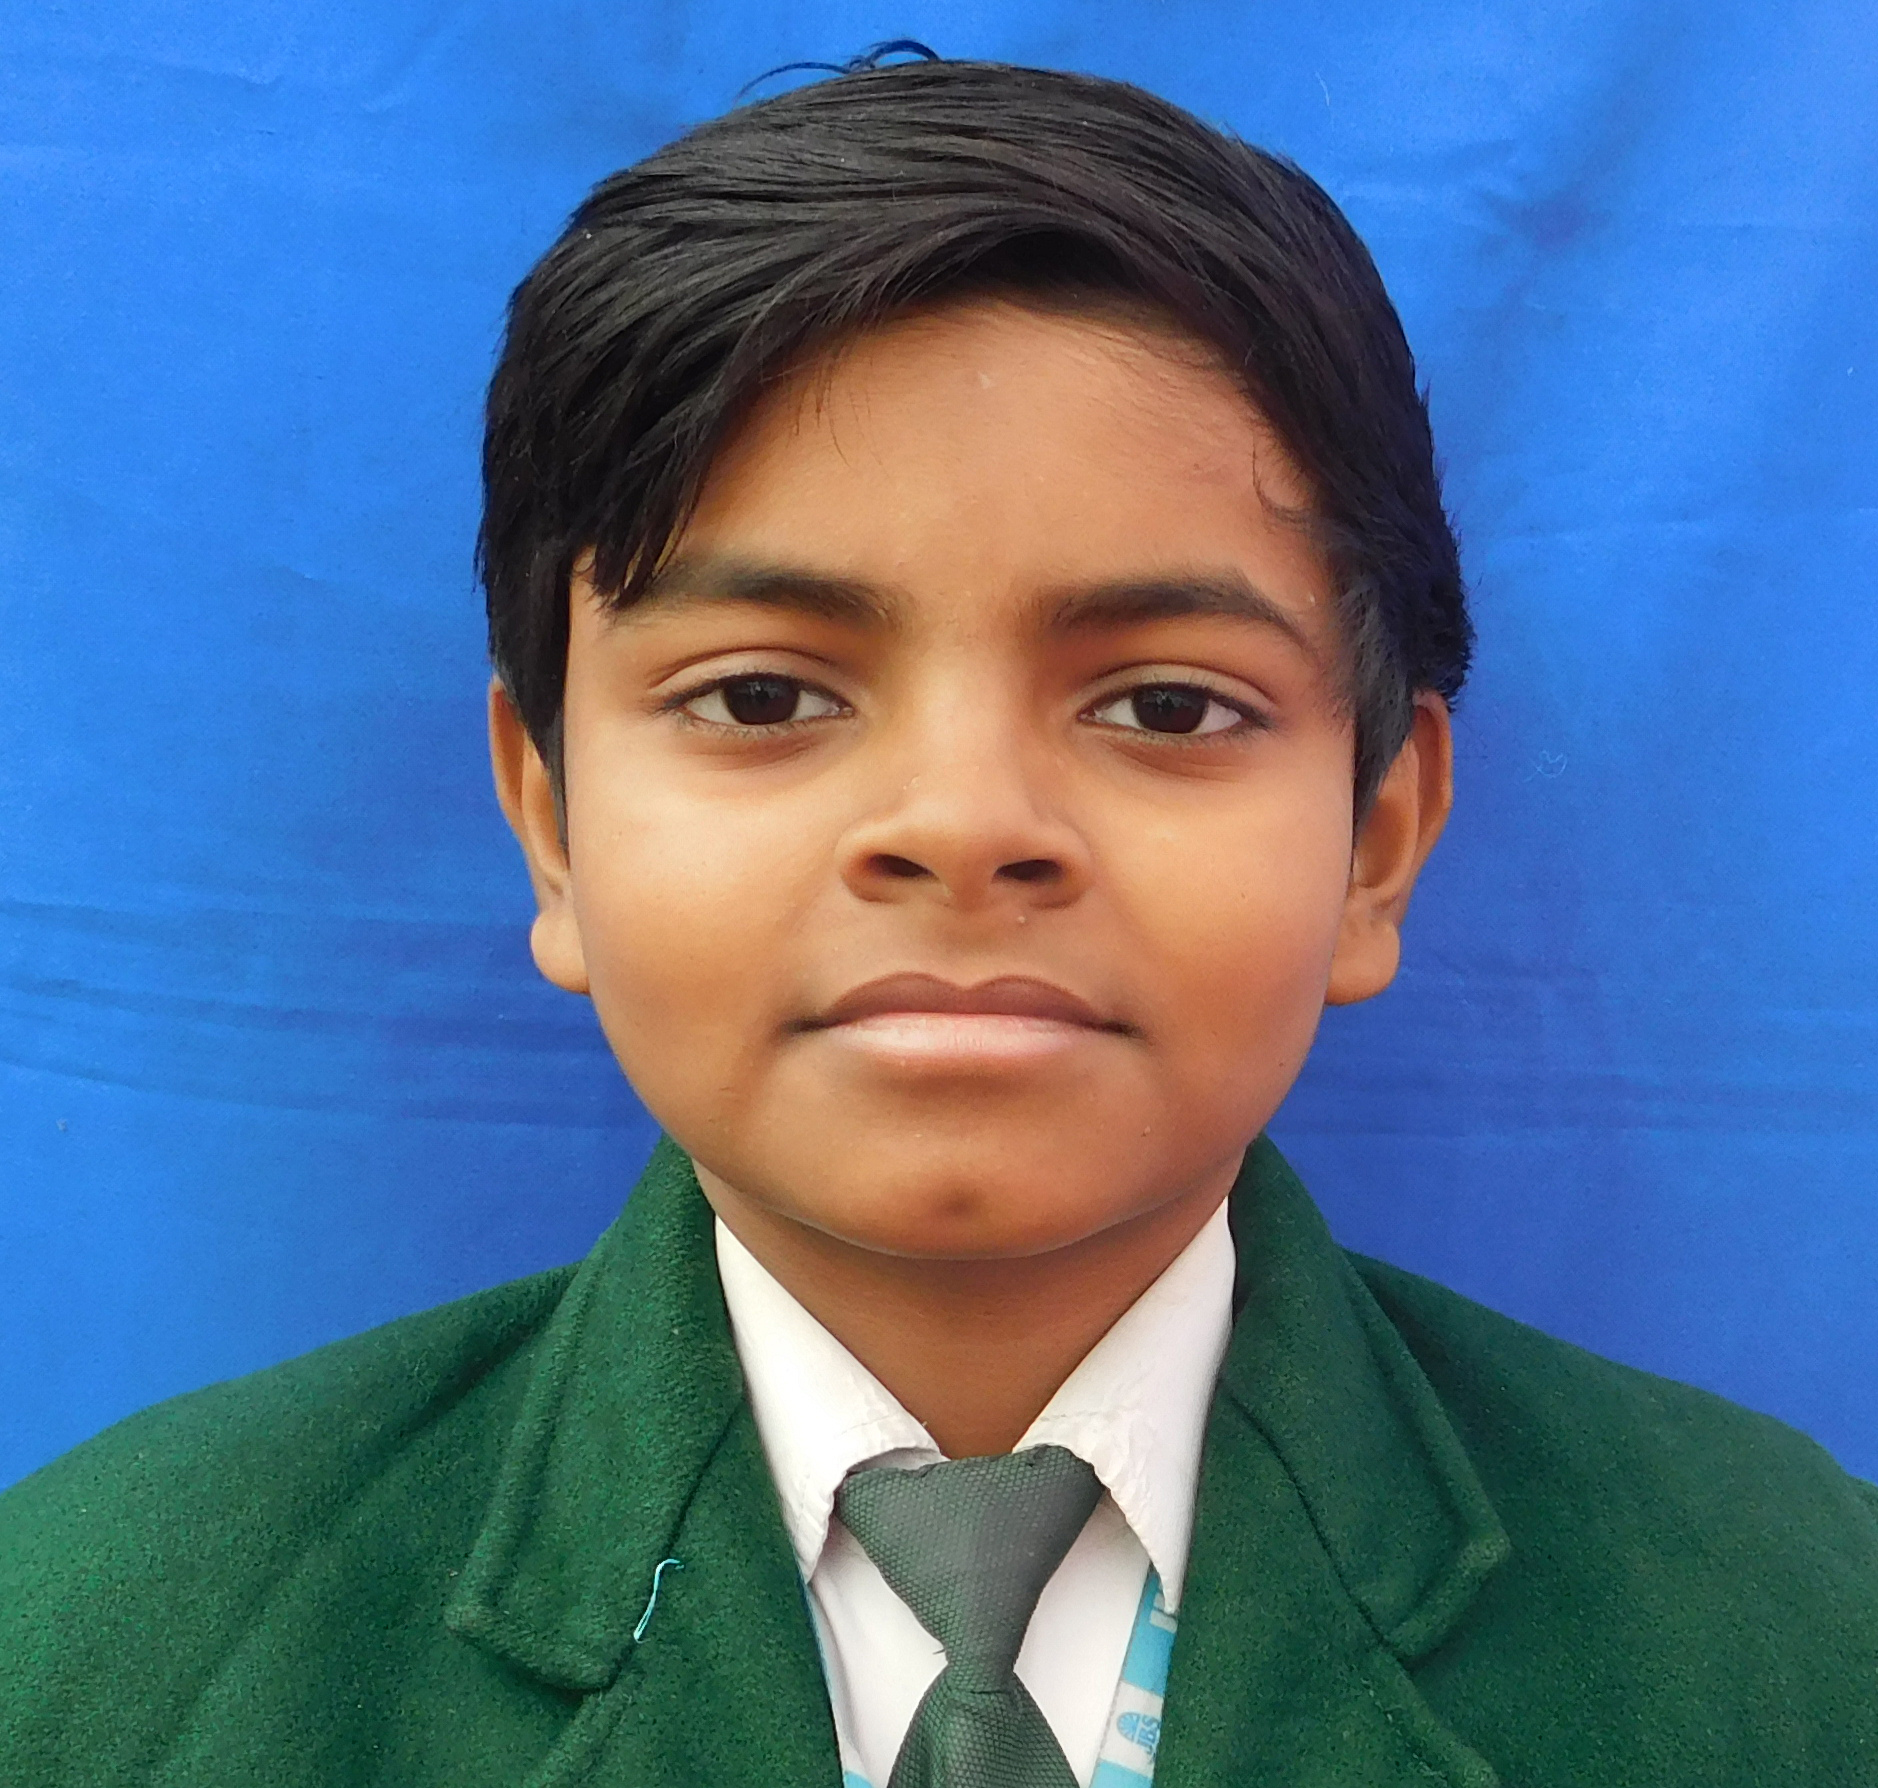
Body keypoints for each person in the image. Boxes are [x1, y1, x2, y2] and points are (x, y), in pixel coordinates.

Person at [2, 54, 1873, 1788]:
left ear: (1377, 839)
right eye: (760, 696)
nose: (966, 828)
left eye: (1163, 704)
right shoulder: (106, 1655)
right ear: (551, 821)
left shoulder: (1798, 1638)